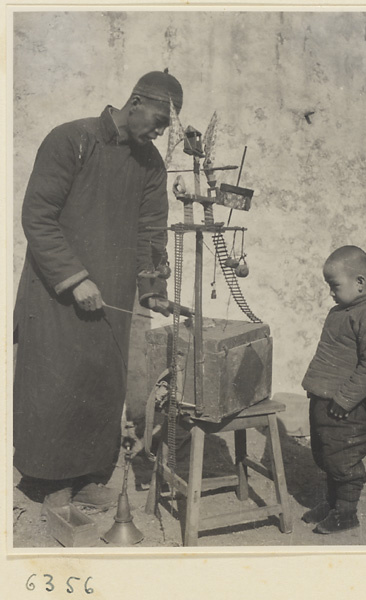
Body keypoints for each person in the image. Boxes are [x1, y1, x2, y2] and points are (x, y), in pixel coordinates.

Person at [13, 69, 183, 516]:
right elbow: (38, 217)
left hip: (112, 297)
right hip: (56, 292)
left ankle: (88, 476)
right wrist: (74, 278)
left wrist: (152, 290)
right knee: (56, 382)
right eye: (160, 122)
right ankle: (51, 483)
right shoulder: (71, 139)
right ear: (137, 101)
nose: (161, 133)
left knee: (101, 383)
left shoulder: (151, 165)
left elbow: (152, 232)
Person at [301, 245, 366, 534]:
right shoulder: (340, 311)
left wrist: (344, 400)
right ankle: (332, 503)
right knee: (326, 454)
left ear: (359, 282)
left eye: (335, 286)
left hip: (351, 408)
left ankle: (346, 512)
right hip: (327, 401)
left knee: (344, 458)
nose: (331, 292)